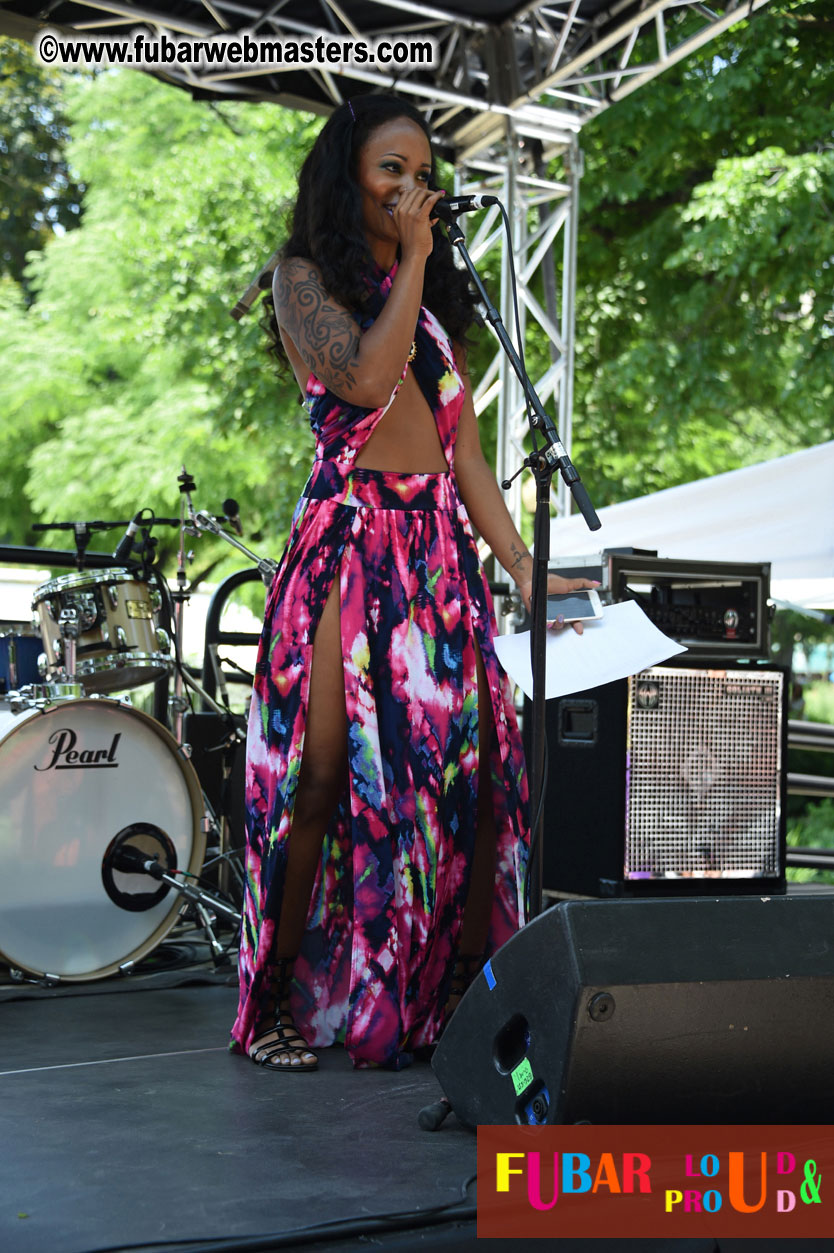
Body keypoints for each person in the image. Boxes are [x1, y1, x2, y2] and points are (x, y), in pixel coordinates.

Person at [230, 93, 596, 1072]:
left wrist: (525, 570)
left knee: (470, 787)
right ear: (348, 175)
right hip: (351, 549)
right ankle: (269, 1005)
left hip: (437, 562)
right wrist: (417, 261)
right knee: (317, 782)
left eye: (420, 170)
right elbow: (361, 381)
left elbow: (465, 453)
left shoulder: (435, 315)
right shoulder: (303, 281)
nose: (410, 186)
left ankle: (454, 1005)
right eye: (391, 168)